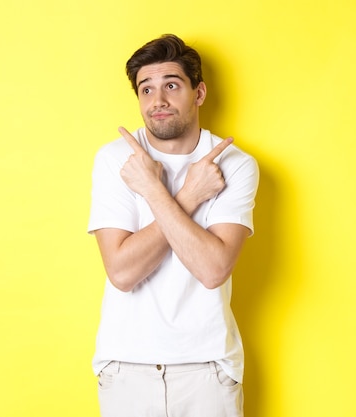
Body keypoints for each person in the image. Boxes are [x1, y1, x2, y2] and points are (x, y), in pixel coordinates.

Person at [87, 34, 259, 417]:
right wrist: (185, 196)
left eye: (171, 85)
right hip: (126, 367)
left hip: (208, 369)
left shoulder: (236, 165)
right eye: (146, 89)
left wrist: (154, 192)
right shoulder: (116, 160)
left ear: (198, 93)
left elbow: (212, 269)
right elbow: (122, 272)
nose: (157, 101)